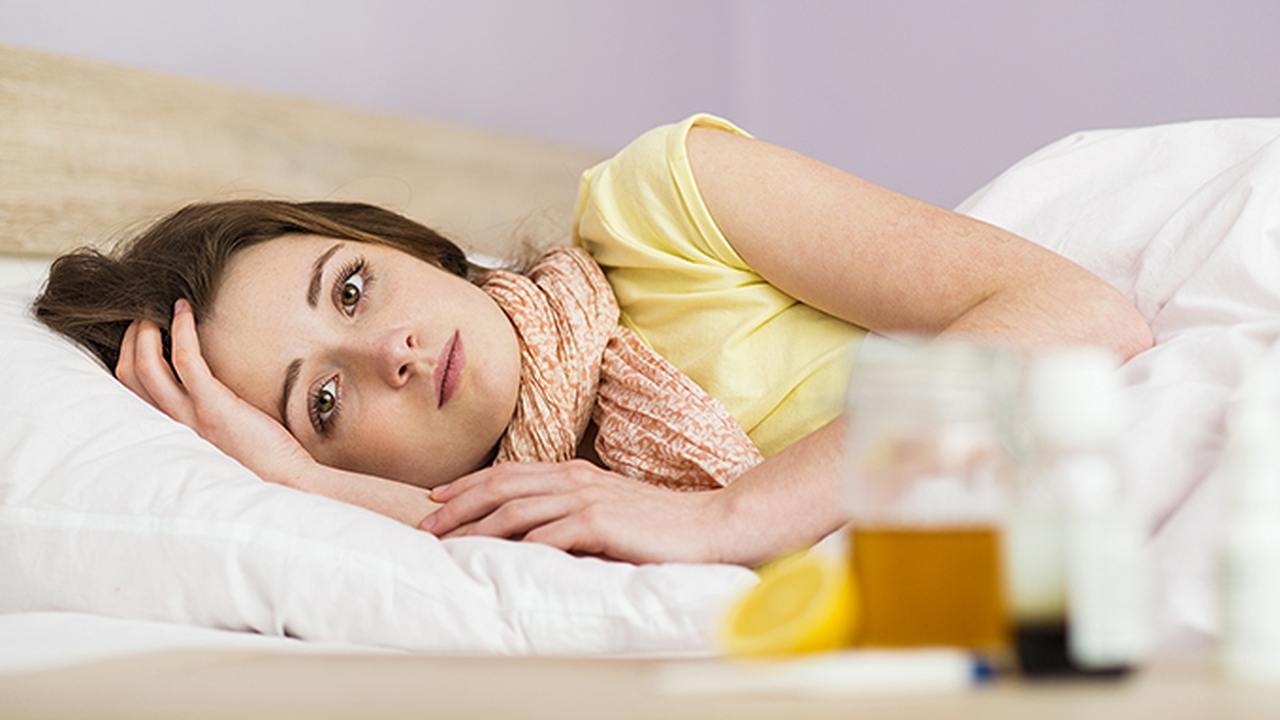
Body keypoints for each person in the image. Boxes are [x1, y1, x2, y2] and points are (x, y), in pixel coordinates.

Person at [33, 114, 1153, 567]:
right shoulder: (554, 531)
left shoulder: (661, 203)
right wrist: (299, 487)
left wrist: (729, 517)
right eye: (322, 404)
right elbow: (493, 537)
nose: (390, 355)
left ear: (410, 246)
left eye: (355, 288)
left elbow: (1075, 316)